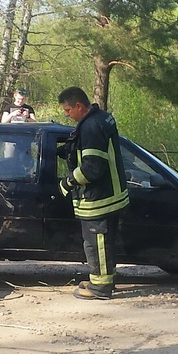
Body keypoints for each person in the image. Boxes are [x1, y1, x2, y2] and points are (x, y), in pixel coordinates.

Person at [57, 86, 130, 300]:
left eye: (68, 110)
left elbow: (92, 168)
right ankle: (102, 278)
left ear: (79, 106)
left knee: (96, 244)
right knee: (105, 244)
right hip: (113, 195)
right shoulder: (102, 118)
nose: (67, 115)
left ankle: (100, 288)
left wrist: (67, 183)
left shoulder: (90, 127)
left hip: (100, 199)